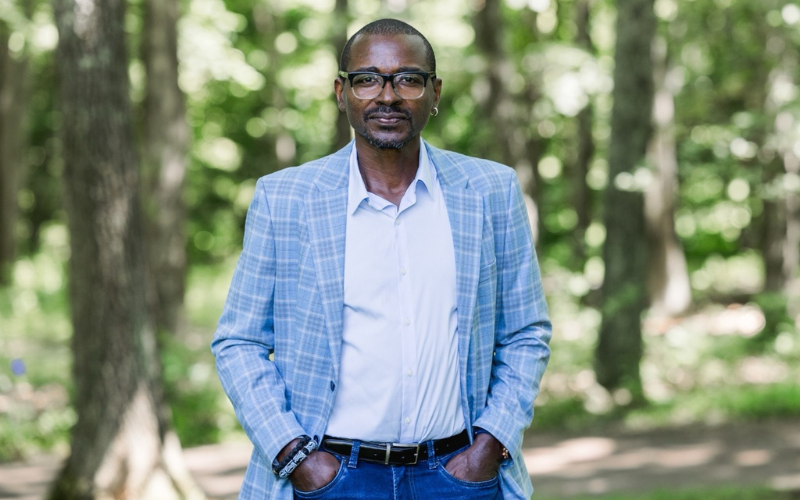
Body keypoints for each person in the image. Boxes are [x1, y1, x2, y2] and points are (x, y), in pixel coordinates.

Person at [212, 18, 551, 500]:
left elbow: (525, 331)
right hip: (331, 478)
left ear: (434, 93)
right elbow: (238, 342)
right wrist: (294, 455)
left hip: (458, 476)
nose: (387, 96)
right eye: (367, 78)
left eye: (408, 79)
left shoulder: (490, 191)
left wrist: (491, 444)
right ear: (341, 91)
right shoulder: (284, 198)